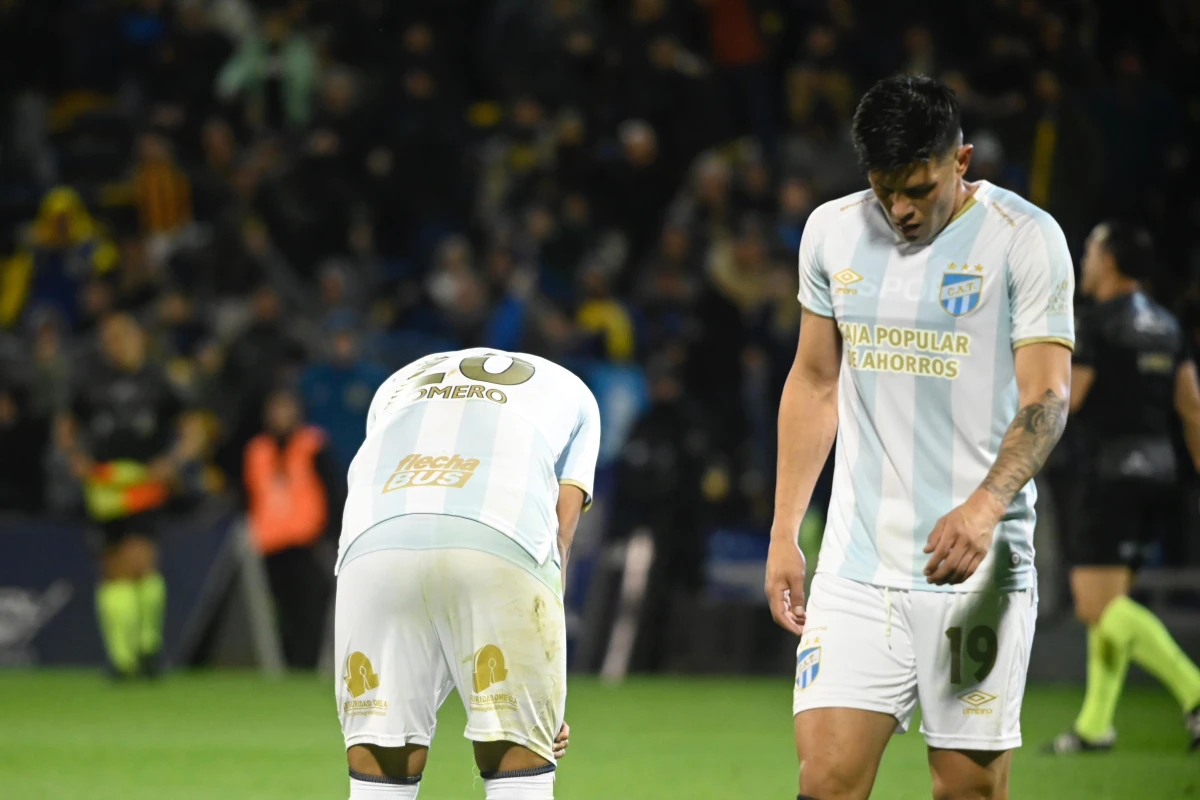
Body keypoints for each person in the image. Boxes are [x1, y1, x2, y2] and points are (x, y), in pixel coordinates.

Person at [764, 75, 1075, 800]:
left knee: (966, 790)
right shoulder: (832, 231)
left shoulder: (1025, 240)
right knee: (827, 780)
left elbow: (1048, 398)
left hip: (978, 570)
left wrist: (985, 506)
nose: (900, 209)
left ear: (960, 160)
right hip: (857, 564)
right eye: (885, 189)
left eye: (919, 187)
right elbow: (813, 382)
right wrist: (784, 530)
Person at [334, 348, 600, 800]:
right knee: (519, 764)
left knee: (380, 760)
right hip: (499, 531)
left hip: (372, 540)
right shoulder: (576, 395)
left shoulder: (399, 380)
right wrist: (540, 687)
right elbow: (561, 529)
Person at [1044, 222, 1200, 754]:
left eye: (1089, 250)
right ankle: (1095, 725)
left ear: (1109, 261)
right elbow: (1192, 409)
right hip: (1158, 474)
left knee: (1095, 606)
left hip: (1108, 474)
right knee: (1111, 602)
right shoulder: (1166, 324)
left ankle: (1194, 691)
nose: (1084, 260)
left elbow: (1069, 400)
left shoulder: (1094, 324)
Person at [57, 313, 203, 678]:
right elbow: (66, 425)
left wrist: (173, 461)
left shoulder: (158, 379)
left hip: (142, 481)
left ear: (138, 338)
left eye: (120, 336)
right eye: (108, 337)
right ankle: (121, 659)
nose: (113, 343)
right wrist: (75, 459)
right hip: (104, 485)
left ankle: (148, 647)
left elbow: (193, 428)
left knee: (141, 560)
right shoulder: (90, 380)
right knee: (112, 566)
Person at [243, 389, 342, 670]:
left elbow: (333, 491)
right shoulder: (257, 449)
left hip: (307, 541)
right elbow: (248, 493)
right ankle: (287, 662)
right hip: (270, 542)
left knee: (311, 605)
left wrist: (330, 535)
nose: (280, 416)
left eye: (286, 408)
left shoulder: (313, 444)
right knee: (278, 608)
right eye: (275, 409)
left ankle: (307, 663)